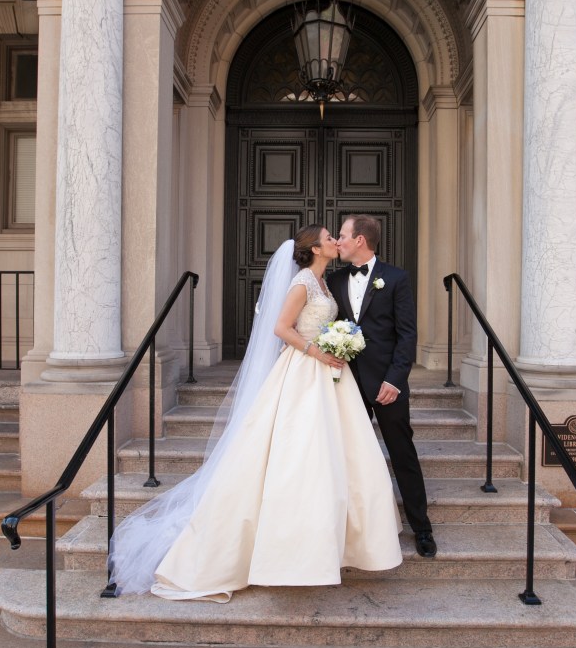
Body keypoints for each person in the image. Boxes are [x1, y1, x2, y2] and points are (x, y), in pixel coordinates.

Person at [109, 224, 403, 601]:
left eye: (337, 236)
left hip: (329, 375)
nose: (335, 242)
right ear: (315, 248)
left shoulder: (325, 283)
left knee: (337, 455)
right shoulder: (303, 283)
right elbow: (281, 328)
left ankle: (337, 543)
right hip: (304, 373)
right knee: (299, 457)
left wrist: (337, 344)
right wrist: (317, 351)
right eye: (329, 238)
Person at [327, 215, 437, 557]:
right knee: (344, 456)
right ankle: (346, 530)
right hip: (345, 384)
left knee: (402, 453)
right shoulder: (333, 279)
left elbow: (407, 334)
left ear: (360, 240)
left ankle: (422, 528)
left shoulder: (396, 278)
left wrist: (395, 379)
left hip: (388, 383)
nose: (338, 242)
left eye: (343, 236)